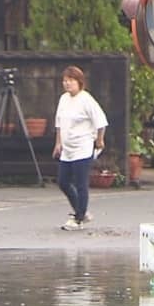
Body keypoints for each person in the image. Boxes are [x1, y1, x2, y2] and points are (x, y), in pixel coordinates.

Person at [52, 65, 107, 231]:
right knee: (63, 181)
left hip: (82, 147)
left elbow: (101, 121)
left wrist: (99, 139)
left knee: (81, 183)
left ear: (79, 82)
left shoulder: (86, 100)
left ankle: (78, 218)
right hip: (67, 149)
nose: (67, 84)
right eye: (65, 81)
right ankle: (81, 210)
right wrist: (58, 143)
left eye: (71, 81)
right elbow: (59, 123)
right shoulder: (64, 99)